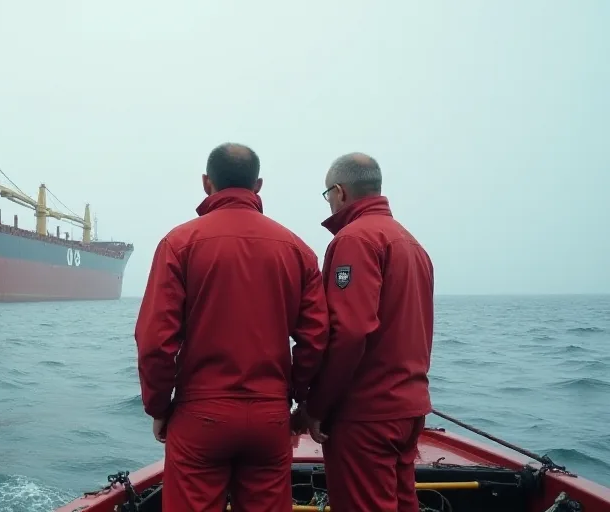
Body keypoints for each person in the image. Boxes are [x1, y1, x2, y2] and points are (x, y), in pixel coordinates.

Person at [135, 143, 330, 511]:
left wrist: (159, 406)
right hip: (269, 417)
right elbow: (316, 339)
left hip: (200, 416)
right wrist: (297, 398)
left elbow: (154, 341)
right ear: (258, 186)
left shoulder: (179, 244)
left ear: (207, 183)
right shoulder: (298, 250)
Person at [300, 152, 435, 512]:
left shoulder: (355, 240)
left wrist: (316, 406)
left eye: (327, 194)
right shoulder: (412, 244)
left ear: (340, 192)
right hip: (409, 408)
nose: (328, 202)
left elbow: (351, 331)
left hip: (366, 415)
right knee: (402, 502)